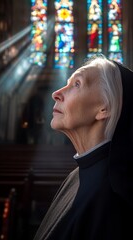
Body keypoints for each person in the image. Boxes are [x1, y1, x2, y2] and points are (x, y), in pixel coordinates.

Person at [33, 54, 133, 240]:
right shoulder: (77, 174)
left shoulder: (110, 199)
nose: (56, 93)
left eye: (76, 84)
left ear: (104, 108)